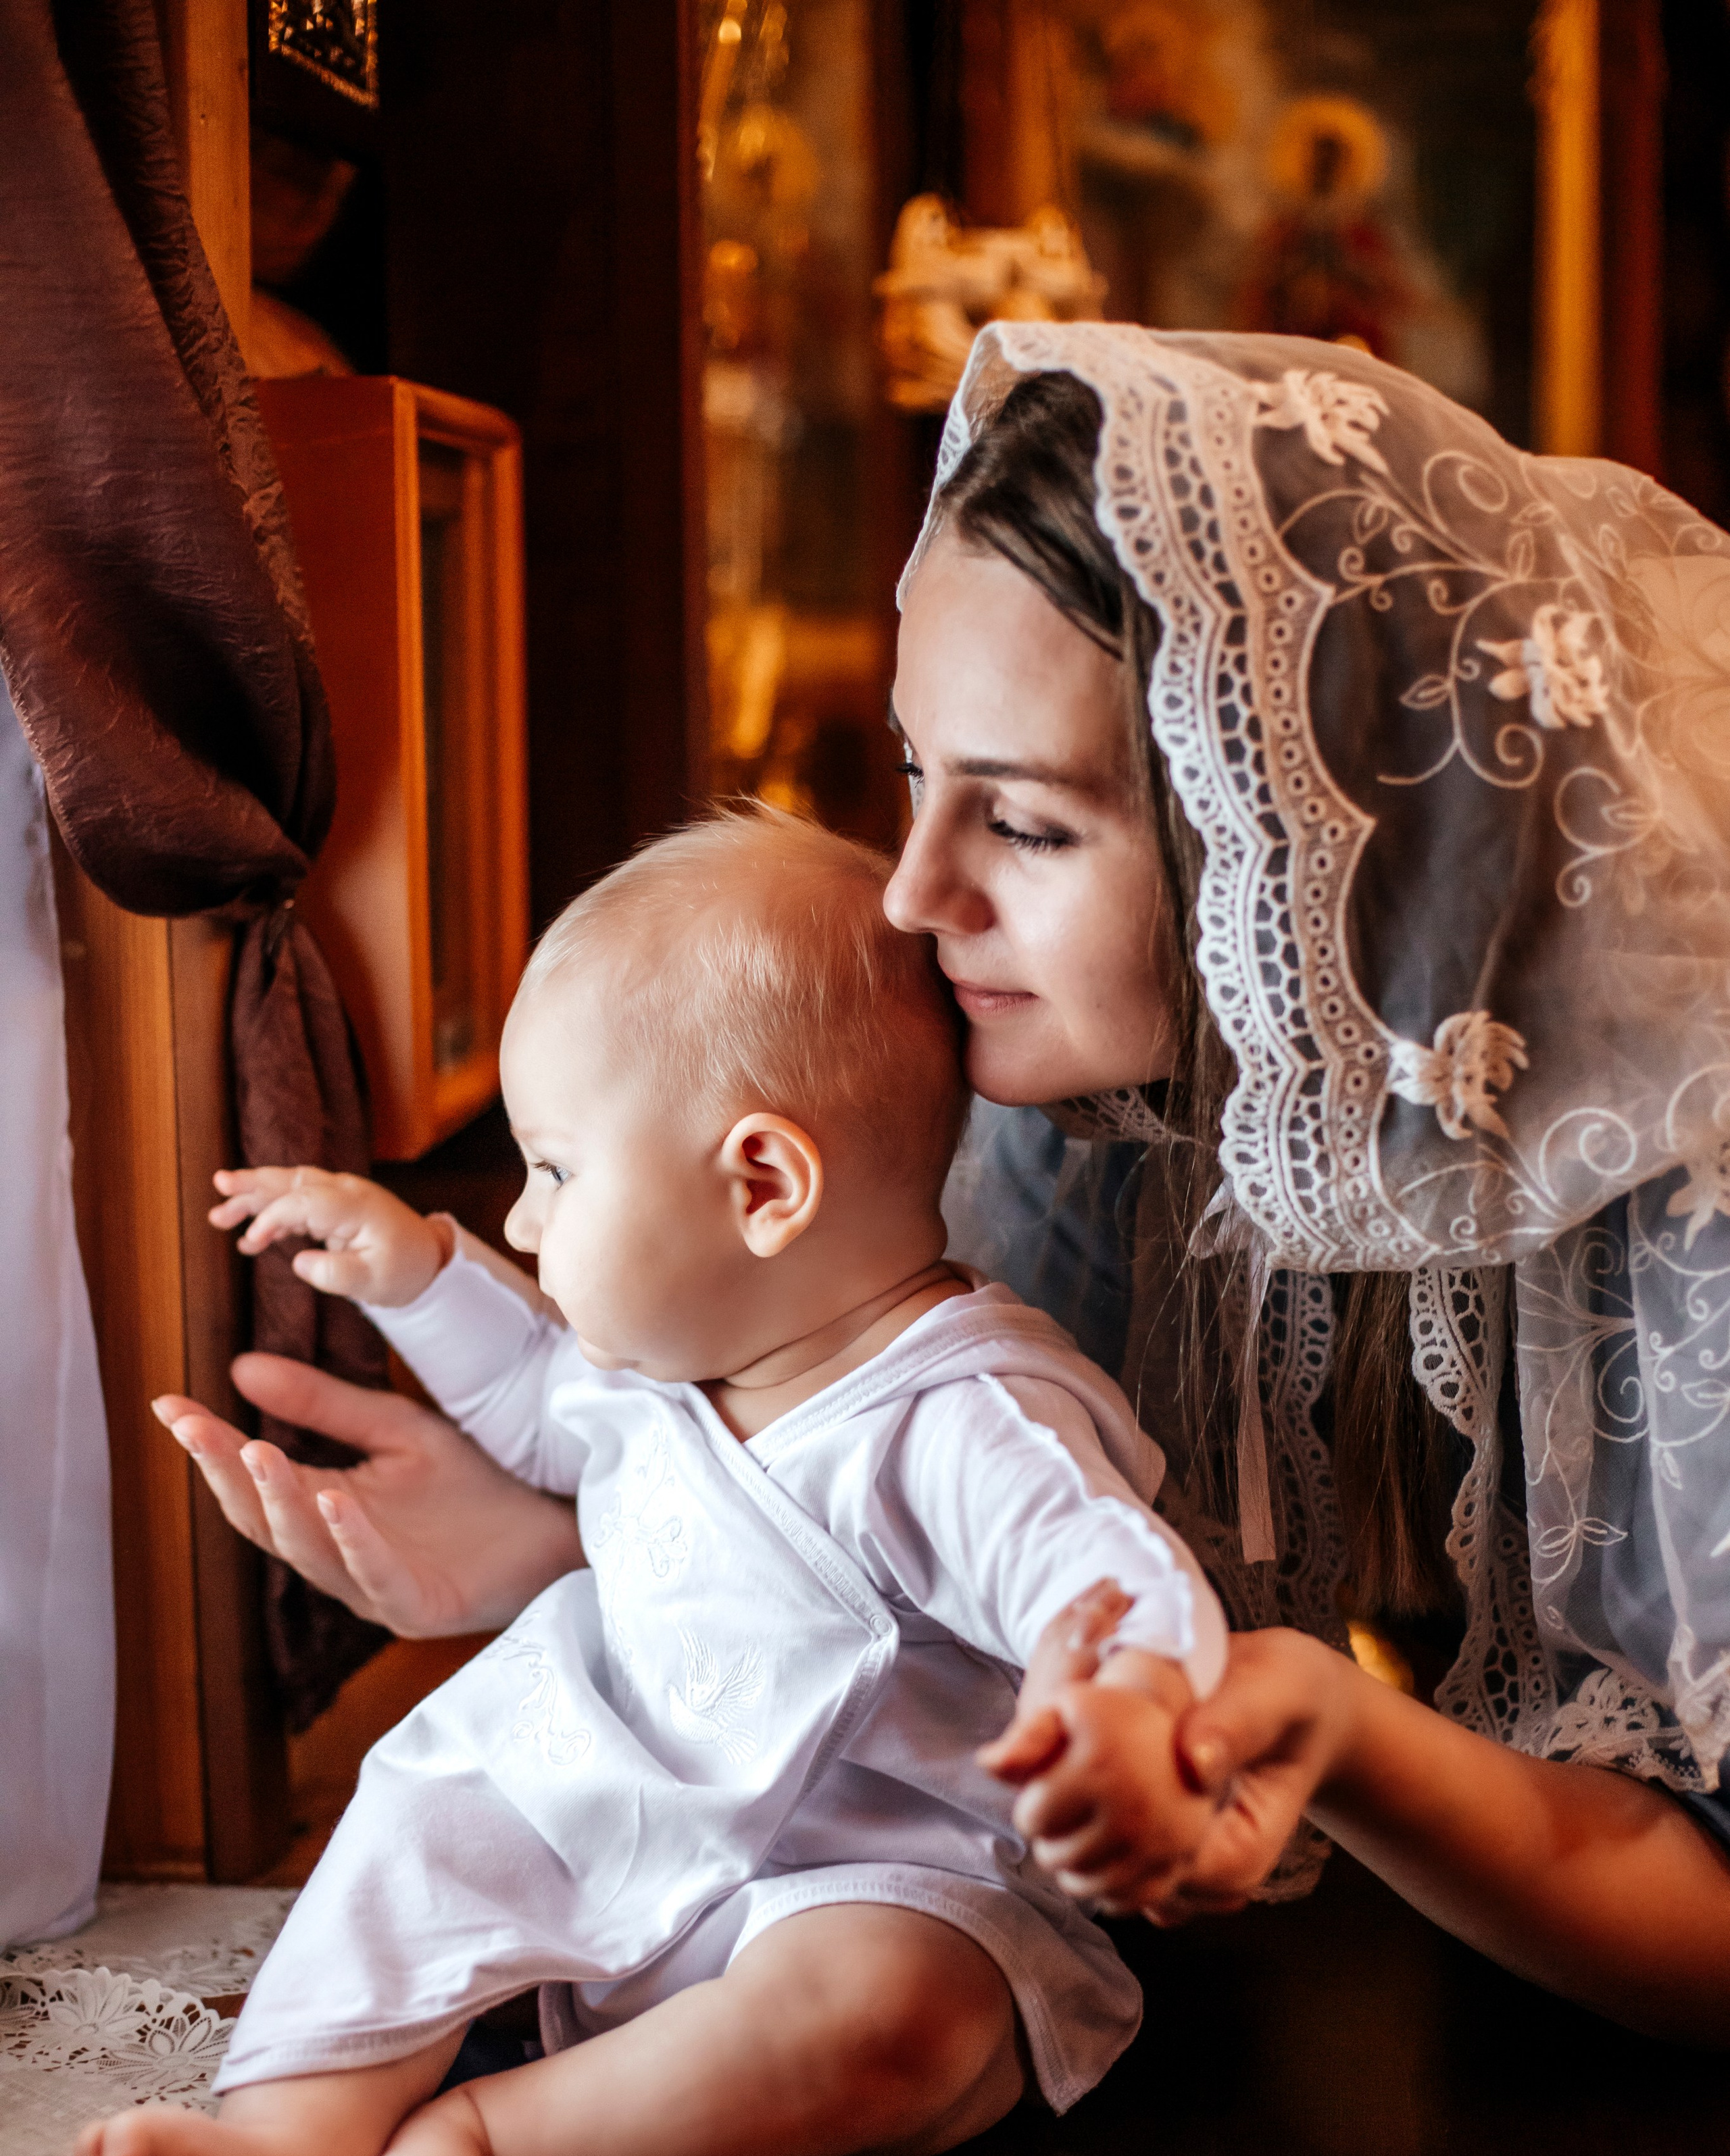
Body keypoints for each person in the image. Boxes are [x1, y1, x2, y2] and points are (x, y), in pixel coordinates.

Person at [153, 324, 1730, 2046]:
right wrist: (565, 1547)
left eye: (1028, 825)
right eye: (916, 773)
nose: (910, 894)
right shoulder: (1069, 1105)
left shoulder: (1685, 1213)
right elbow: (940, 1548)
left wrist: (1327, 1728)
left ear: (1297, 838)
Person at [53, 809, 1228, 2156]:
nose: (522, 1217)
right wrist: (417, 1274)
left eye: (553, 1170)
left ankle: (498, 2145)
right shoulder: (671, 1364)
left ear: (761, 1187)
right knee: (417, 1826)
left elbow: (1096, 1565)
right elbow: (536, 1391)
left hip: (863, 1885)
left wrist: (1120, 1693)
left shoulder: (957, 1415)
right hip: (593, 1801)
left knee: (896, 2016)